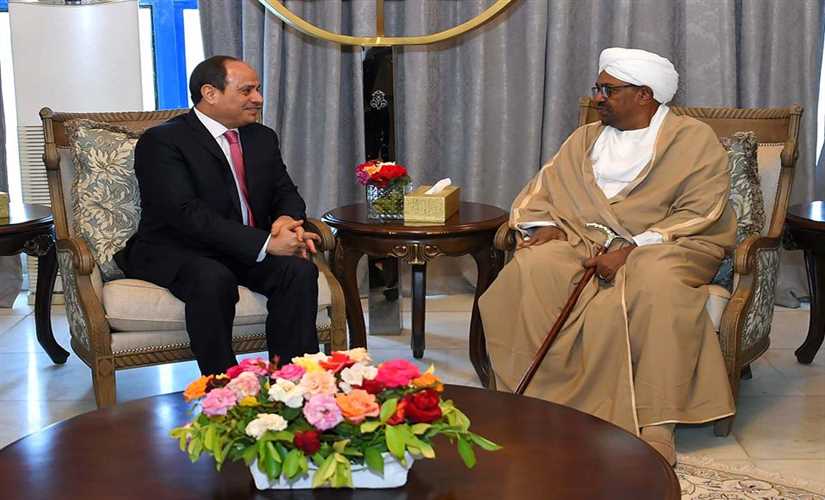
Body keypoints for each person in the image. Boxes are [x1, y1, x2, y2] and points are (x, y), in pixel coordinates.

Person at [478, 47, 737, 466]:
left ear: (644, 95)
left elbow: (701, 209)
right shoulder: (585, 138)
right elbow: (543, 190)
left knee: (654, 282)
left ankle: (657, 423)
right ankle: (540, 400)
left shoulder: (693, 139)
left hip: (672, 244)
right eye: (597, 88)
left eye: (608, 90)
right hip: (585, 239)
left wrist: (633, 248)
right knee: (533, 267)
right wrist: (544, 226)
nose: (597, 97)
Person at [116, 55, 321, 375]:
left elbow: (285, 191)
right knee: (213, 278)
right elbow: (185, 213)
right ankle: (223, 385)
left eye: (258, 89)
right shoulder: (162, 141)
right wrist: (267, 243)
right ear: (210, 93)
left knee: (299, 271)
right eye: (246, 90)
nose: (258, 98)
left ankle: (291, 382)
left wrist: (285, 220)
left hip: (242, 246)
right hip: (179, 248)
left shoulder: (261, 137)